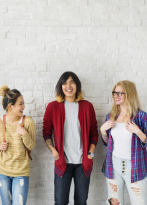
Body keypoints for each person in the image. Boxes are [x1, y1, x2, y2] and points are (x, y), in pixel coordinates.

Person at [42, 71, 98, 205]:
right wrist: (53, 151)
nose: (68, 86)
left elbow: (93, 132)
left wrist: (90, 153)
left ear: (77, 85)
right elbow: (46, 132)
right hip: (63, 163)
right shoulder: (53, 107)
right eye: (65, 83)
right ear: (60, 86)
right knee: (60, 202)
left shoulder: (87, 106)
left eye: (72, 82)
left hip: (82, 163)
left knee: (81, 202)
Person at [100, 80, 147, 205]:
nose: (116, 95)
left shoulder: (141, 116)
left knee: (139, 202)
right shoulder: (111, 116)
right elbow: (106, 143)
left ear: (129, 94)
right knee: (114, 203)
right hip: (113, 165)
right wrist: (103, 130)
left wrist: (137, 131)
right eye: (115, 93)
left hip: (135, 166)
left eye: (120, 93)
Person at [0, 85, 36, 205]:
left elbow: (31, 146)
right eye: (20, 104)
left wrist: (25, 134)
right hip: (1, 171)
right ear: (10, 106)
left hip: (21, 172)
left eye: (23, 103)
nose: (24, 106)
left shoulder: (28, 122)